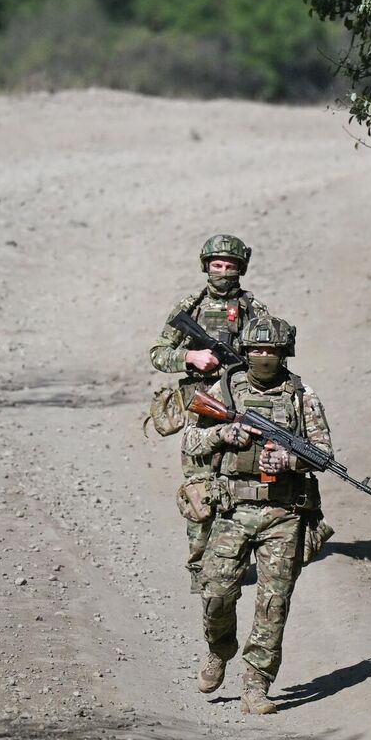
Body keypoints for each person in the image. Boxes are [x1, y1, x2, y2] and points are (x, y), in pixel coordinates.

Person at [182, 315, 330, 715]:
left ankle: (255, 685)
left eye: (272, 350)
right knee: (215, 593)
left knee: (273, 604)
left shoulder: (302, 396)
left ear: (285, 353)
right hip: (233, 510)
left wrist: (289, 459)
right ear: (246, 352)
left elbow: (323, 452)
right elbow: (191, 440)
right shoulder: (225, 389)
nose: (264, 356)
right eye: (257, 349)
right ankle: (219, 648)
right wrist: (222, 433)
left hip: (284, 513)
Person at [149, 234, 269, 592]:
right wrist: (190, 357)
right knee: (200, 491)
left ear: (240, 269)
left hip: (240, 411)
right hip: (201, 414)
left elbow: (272, 357)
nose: (223, 272)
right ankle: (200, 568)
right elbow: (158, 353)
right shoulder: (191, 306)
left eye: (230, 266)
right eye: (217, 265)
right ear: (206, 266)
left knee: (240, 488)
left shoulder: (254, 310)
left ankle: (231, 565)